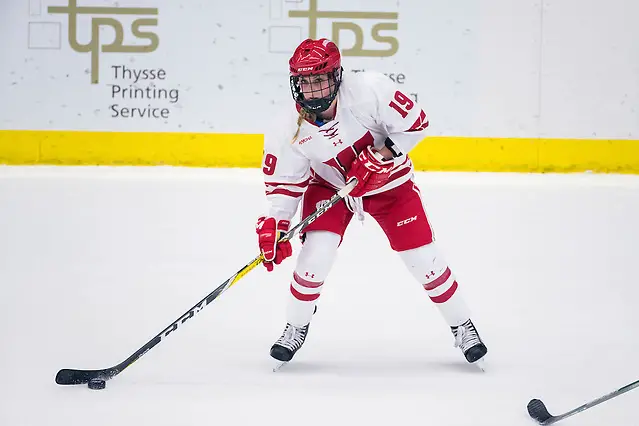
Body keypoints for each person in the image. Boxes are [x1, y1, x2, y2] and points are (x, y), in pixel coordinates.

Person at [256, 38, 487, 368]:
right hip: (330, 188)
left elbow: (417, 125)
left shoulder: (370, 89)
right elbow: (285, 183)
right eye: (304, 81)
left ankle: (462, 325)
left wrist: (382, 154)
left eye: (320, 79)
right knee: (315, 257)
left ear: (337, 76)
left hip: (390, 185)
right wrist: (275, 223)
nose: (313, 89)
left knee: (423, 259)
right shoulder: (285, 127)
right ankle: (295, 326)